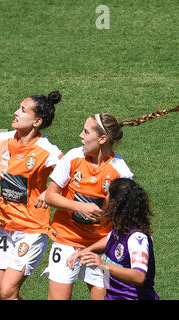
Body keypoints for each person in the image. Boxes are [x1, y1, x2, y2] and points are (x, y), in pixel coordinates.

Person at [43, 106, 178, 300]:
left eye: (86, 131)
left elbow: (127, 212)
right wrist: (79, 206)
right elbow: (50, 196)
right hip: (66, 238)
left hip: (103, 245)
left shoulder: (120, 171)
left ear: (102, 139)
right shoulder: (73, 157)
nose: (80, 135)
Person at [0, 91, 63, 300]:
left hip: (31, 229)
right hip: (4, 225)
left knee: (8, 291)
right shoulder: (1, 140)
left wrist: (48, 192)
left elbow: (69, 176)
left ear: (37, 121)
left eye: (22, 110)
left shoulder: (47, 151)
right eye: (19, 108)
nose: (16, 113)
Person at [66, 178, 159, 300]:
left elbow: (139, 276)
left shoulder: (137, 238)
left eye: (108, 194)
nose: (105, 197)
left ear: (116, 202)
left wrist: (102, 264)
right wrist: (86, 251)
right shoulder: (120, 227)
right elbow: (109, 239)